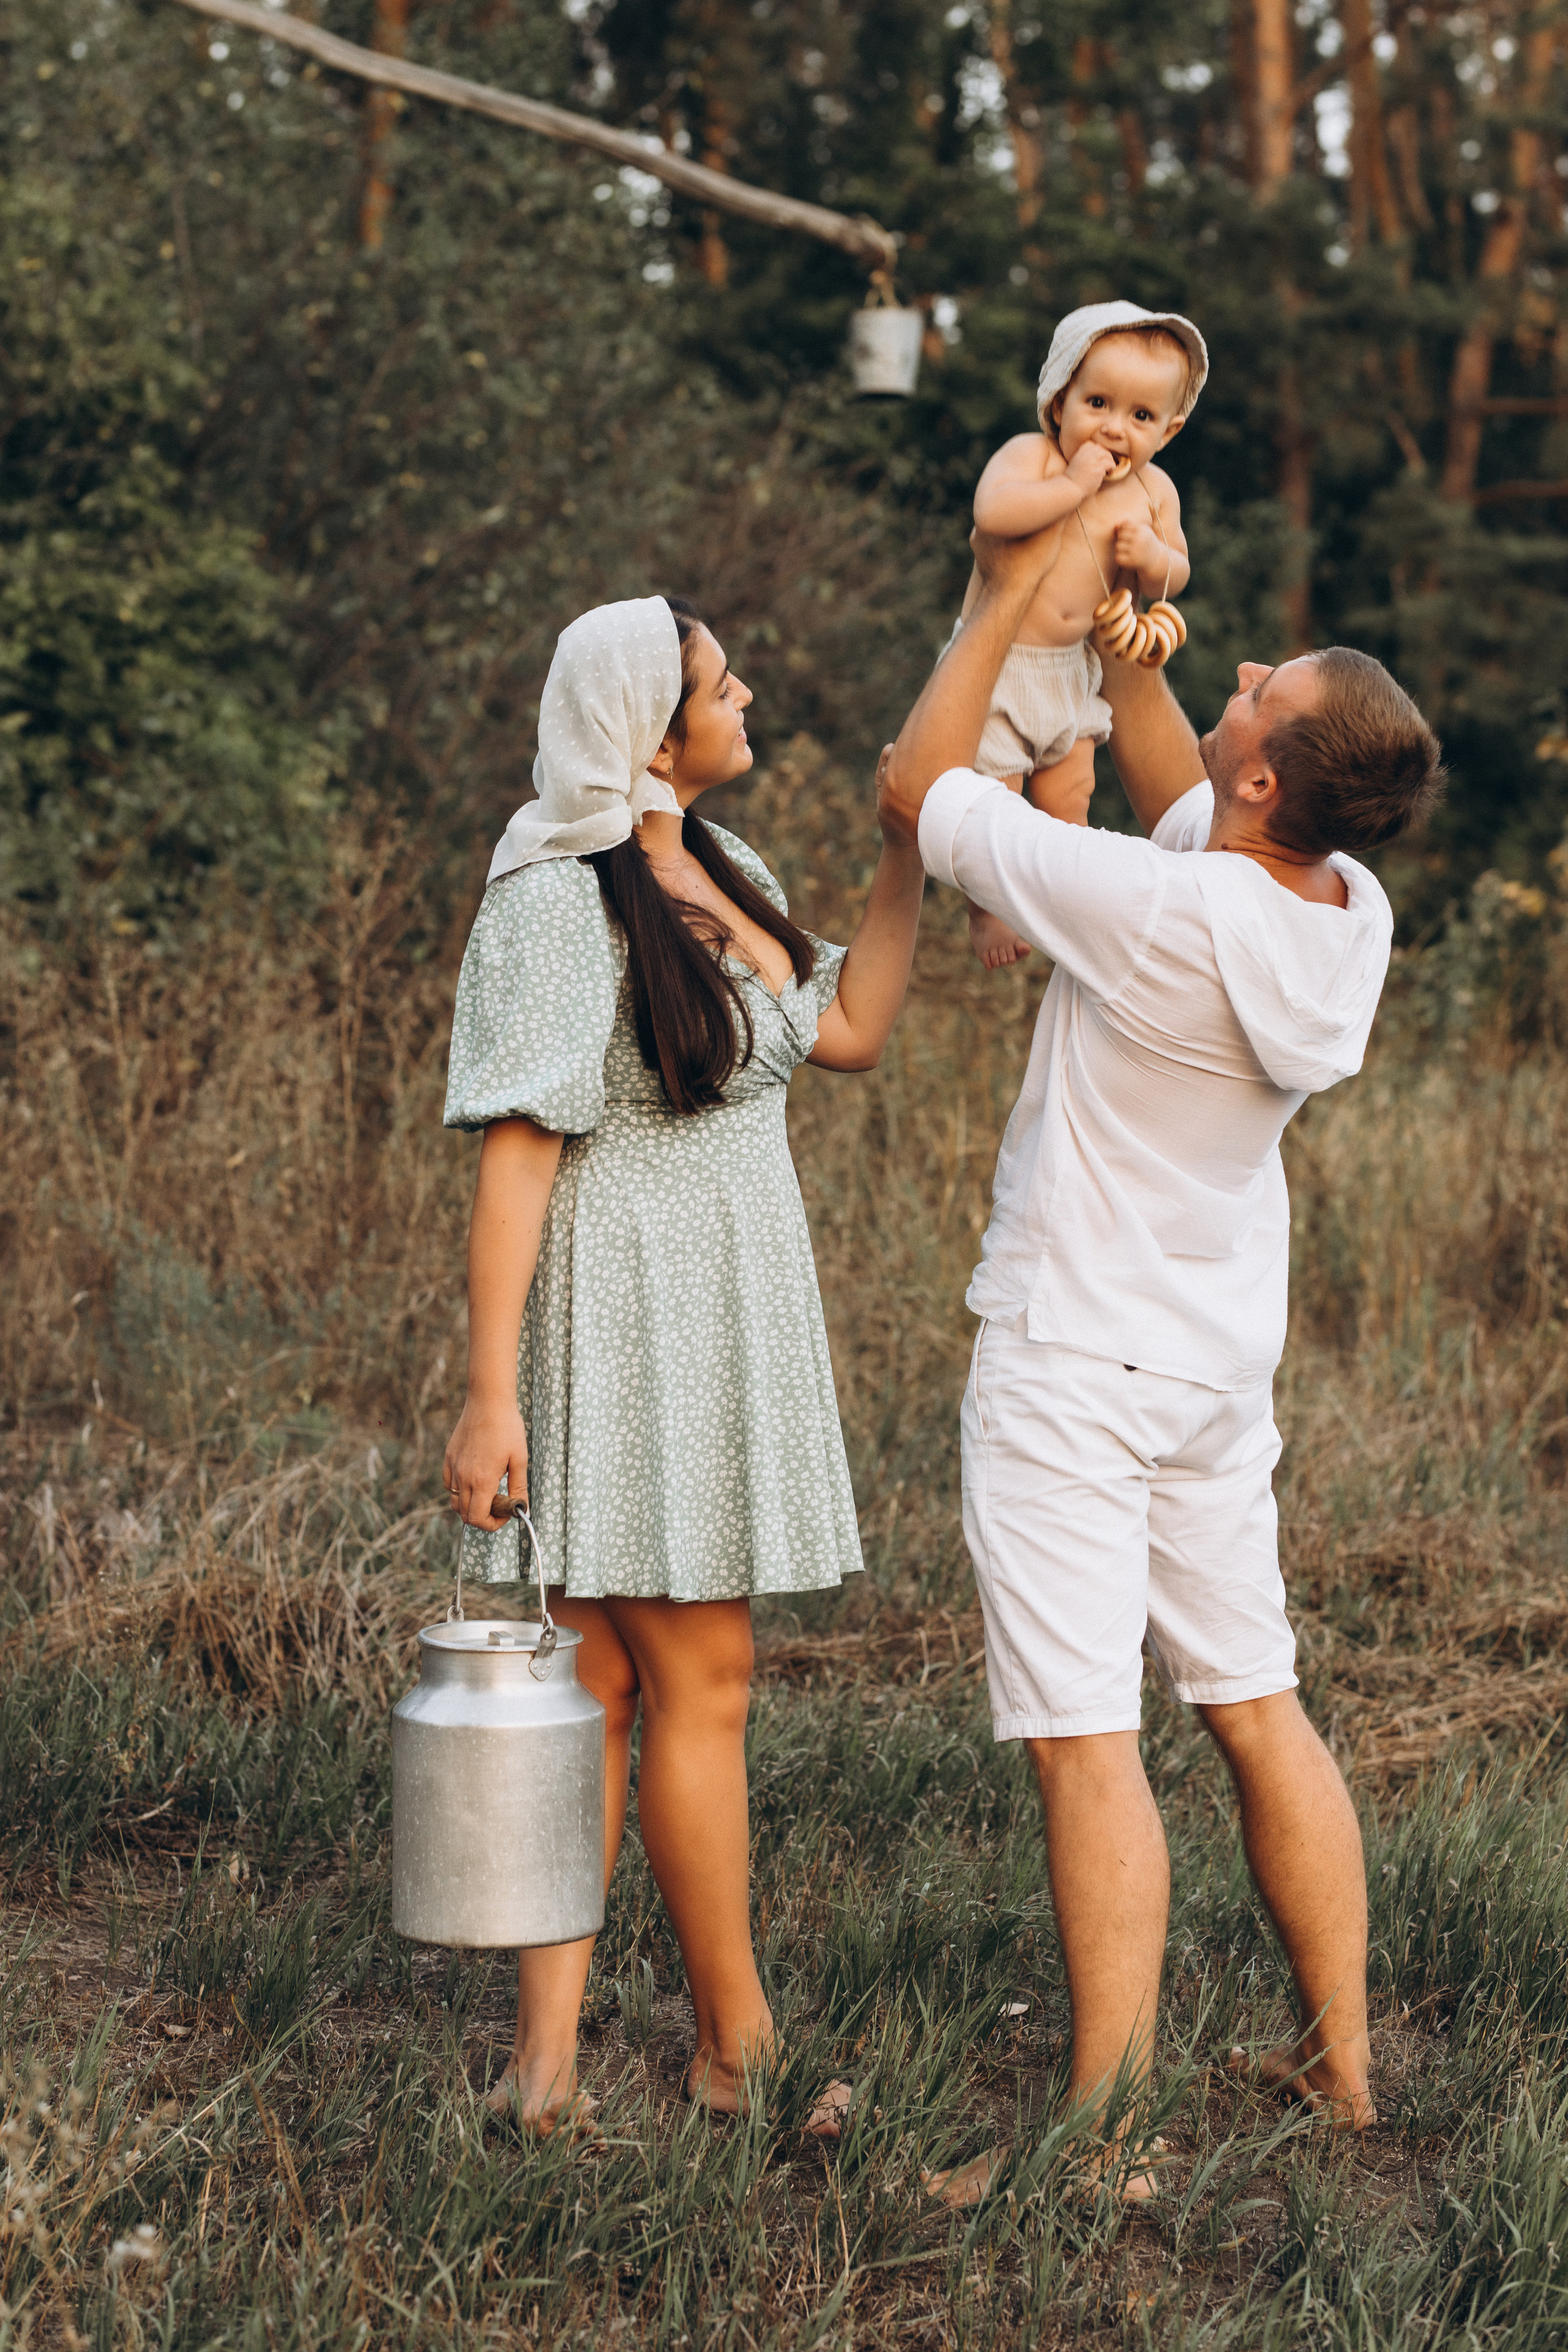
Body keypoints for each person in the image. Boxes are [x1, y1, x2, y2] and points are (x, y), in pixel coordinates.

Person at [878, 525, 1444, 2203]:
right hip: (1210, 1365)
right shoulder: (1343, 907)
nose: (1244, 674)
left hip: (1072, 1353)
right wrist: (1135, 652)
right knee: (1256, 1706)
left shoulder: (1154, 910)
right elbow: (1178, 779)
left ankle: (1099, 2133)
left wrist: (998, 598)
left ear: (1268, 779)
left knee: (1085, 1738)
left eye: (1265, 690)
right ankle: (1341, 2068)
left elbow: (920, 786)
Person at [441, 594, 924, 2133]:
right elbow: (518, 1160)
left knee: (602, 1682)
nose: (749, 690)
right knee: (693, 1676)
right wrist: (490, 1386)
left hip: (725, 1295)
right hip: (625, 1306)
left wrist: (906, 849)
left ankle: (547, 2067)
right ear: (656, 733)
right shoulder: (551, 898)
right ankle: (737, 2049)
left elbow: (844, 1029)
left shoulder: (726, 869)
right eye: (722, 679)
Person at [952, 301, 1205, 969]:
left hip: (1072, 670)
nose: (1114, 429)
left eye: (1141, 416)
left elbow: (1177, 570)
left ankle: (1064, 902)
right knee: (994, 801)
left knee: (1071, 798)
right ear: (1058, 399)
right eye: (1096, 403)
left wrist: (1154, 559)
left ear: (1169, 430)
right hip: (1000, 665)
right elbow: (993, 512)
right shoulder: (1032, 458)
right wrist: (1070, 485)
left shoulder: (1155, 493)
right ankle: (986, 910)